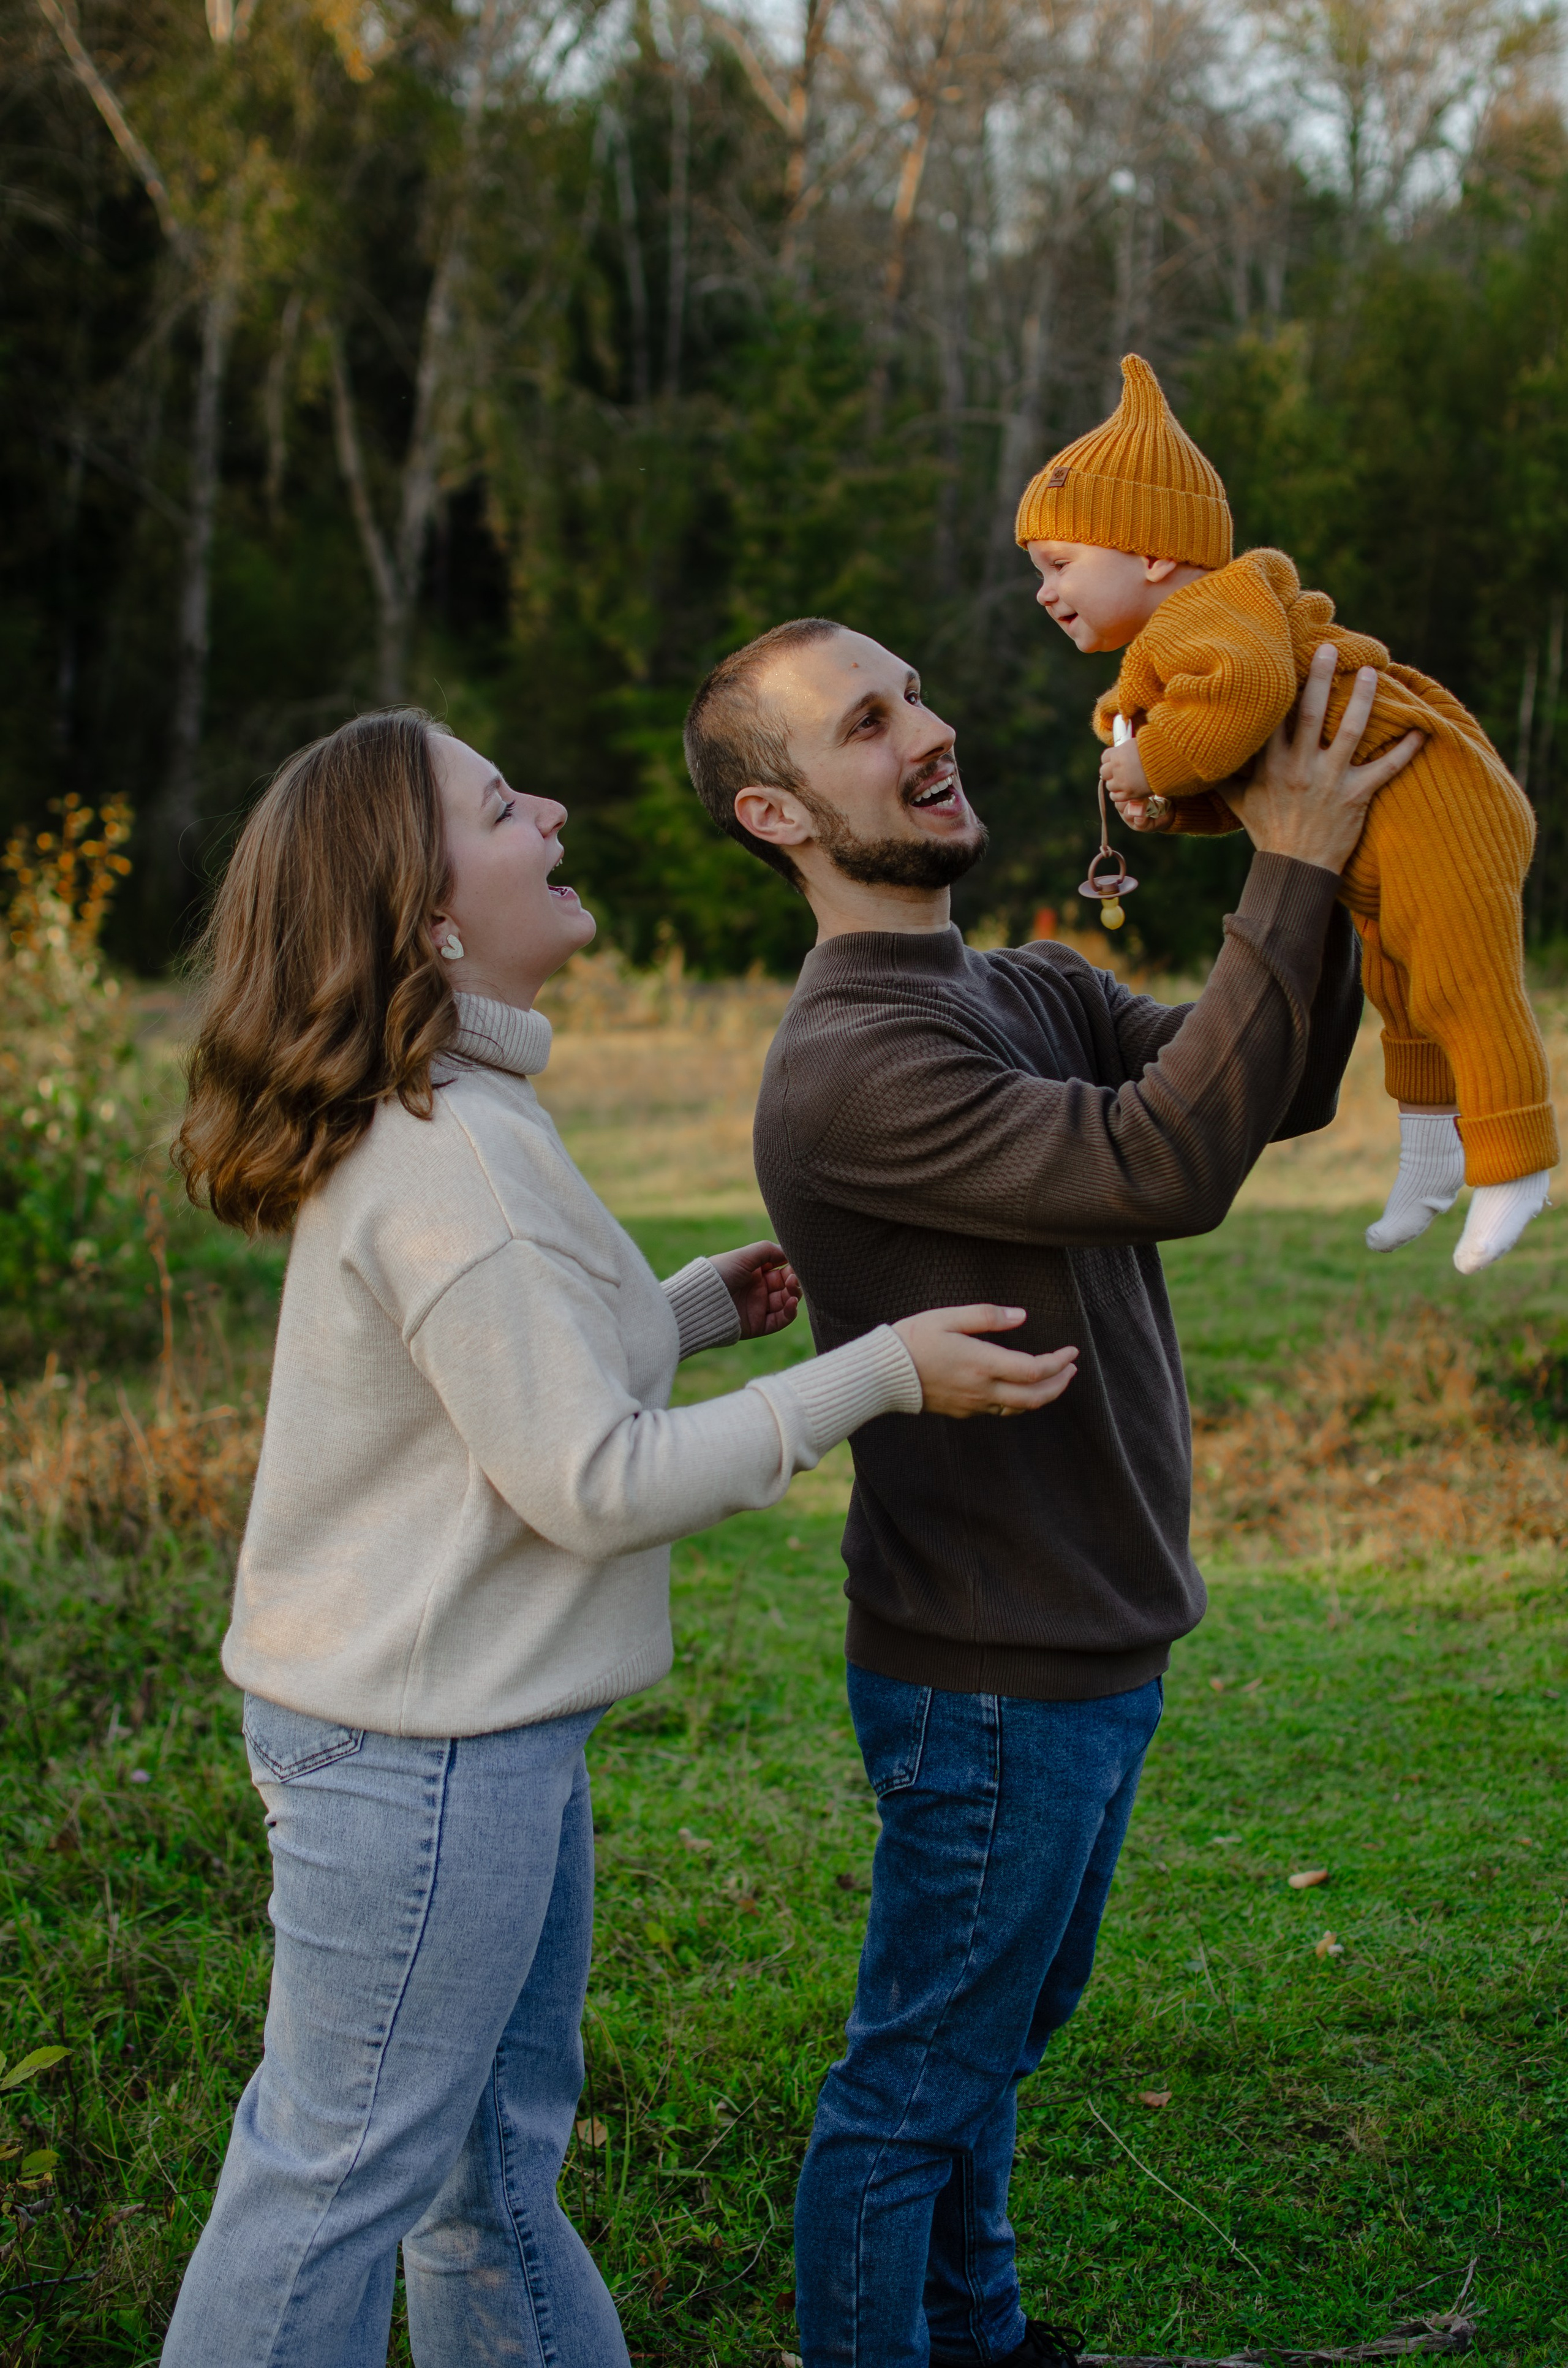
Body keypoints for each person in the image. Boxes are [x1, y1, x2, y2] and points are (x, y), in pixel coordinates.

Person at [159, 708, 1080, 2368]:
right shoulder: (455, 1166)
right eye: (509, 806)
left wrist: (686, 1312)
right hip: (420, 1753)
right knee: (337, 2175)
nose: (557, 813)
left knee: (485, 2169)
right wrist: (874, 1377)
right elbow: (588, 1477)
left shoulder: (451, 1112)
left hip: (458, 1733)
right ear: (430, 916)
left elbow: (494, 1394)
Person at [681, 622, 1420, 2368]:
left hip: (1083, 1636)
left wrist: (1308, 840)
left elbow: (1262, 1089)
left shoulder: (1014, 984)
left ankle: (984, 2336)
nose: (930, 732)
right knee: (917, 2075)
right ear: (780, 815)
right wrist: (1293, 866)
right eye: (871, 725)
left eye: (916, 693)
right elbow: (1164, 1165)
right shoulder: (851, 1065)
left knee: (988, 2042)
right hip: (986, 1667)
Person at [1016, 352, 1557, 1275]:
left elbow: (1249, 697)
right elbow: (1252, 774)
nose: (1045, 591)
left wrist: (1147, 758)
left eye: (1061, 563)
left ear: (1153, 554)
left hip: (1438, 806)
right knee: (1402, 996)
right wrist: (1171, 807)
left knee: (1461, 985)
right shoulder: (1192, 636)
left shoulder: (1206, 619)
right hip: (1380, 829)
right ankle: (1430, 1166)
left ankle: (1519, 1164)